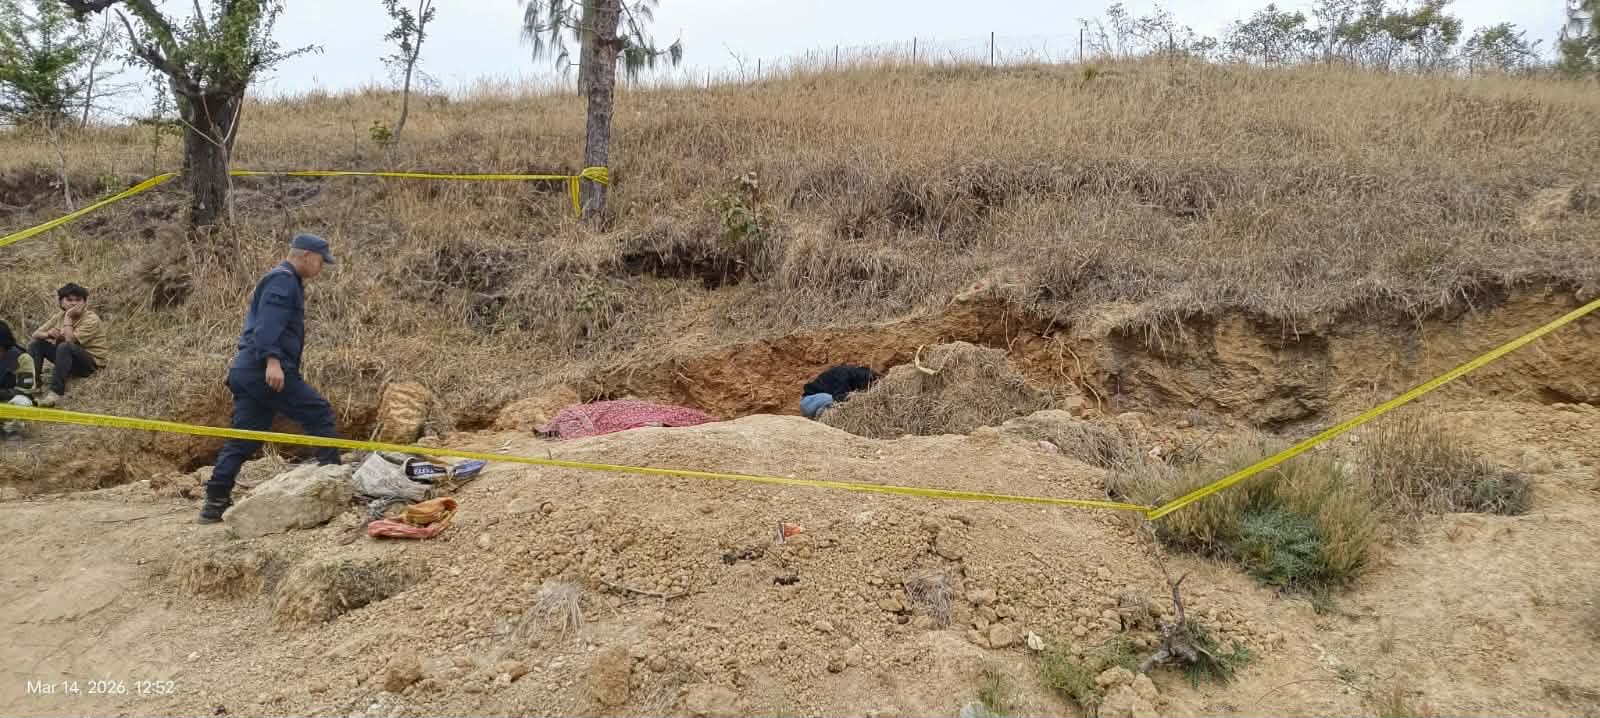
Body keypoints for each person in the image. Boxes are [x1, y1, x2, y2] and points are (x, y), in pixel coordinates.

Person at [199, 233, 342, 524]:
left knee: (244, 437)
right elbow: (266, 326)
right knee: (319, 412)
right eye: (320, 261)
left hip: (247, 372)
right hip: (264, 370)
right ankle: (335, 484)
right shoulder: (283, 281)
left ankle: (215, 500)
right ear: (305, 256)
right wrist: (272, 361)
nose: (321, 267)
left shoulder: (285, 280)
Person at [28, 283, 108, 407]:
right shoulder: (59, 316)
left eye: (78, 300)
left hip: (91, 364)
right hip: (69, 359)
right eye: (69, 300)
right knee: (36, 344)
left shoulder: (91, 319)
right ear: (61, 302)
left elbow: (70, 341)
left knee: (65, 346)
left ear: (85, 302)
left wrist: (68, 317)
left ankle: (55, 393)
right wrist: (48, 334)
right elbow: (35, 334)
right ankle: (33, 386)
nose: (73, 303)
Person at [800, 364, 879, 419]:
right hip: (808, 402)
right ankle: (820, 418)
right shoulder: (844, 375)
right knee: (833, 400)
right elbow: (838, 397)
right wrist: (858, 397)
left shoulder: (851, 377)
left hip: (816, 403)